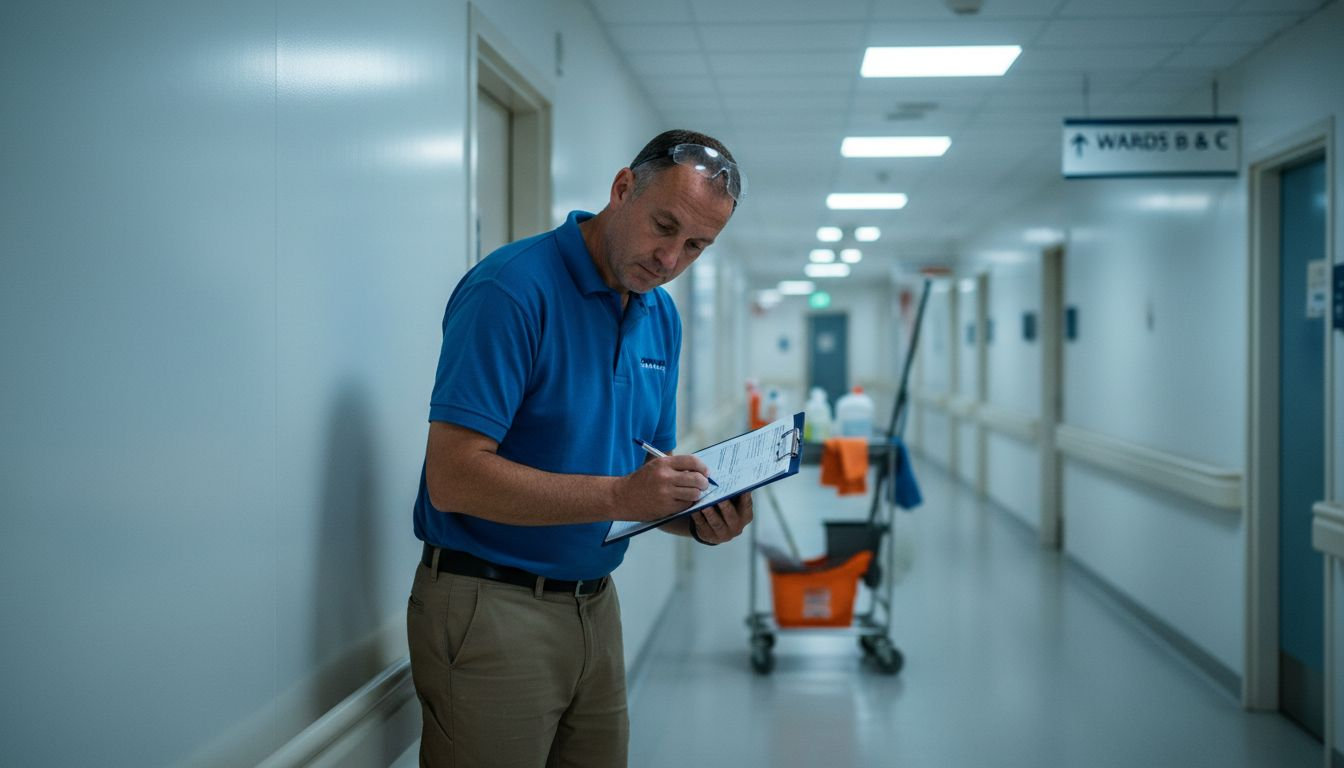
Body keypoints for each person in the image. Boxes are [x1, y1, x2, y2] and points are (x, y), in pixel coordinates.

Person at [407, 129, 754, 768]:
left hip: (595, 603)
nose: (671, 259)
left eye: (696, 246)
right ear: (623, 189)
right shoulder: (511, 289)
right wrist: (624, 494)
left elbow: (640, 478)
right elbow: (452, 478)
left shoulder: (659, 316)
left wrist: (695, 516)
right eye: (664, 226)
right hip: (490, 605)